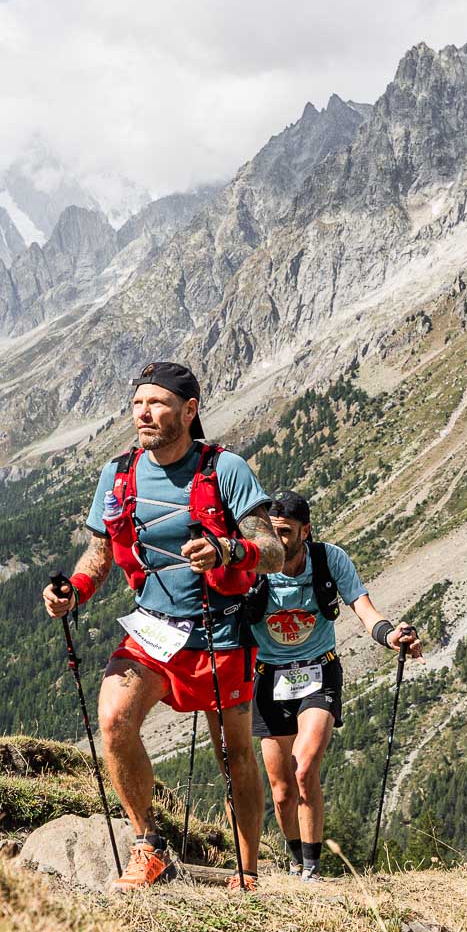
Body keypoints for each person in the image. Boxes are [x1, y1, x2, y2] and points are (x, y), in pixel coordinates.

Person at [42, 362, 285, 891]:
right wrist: (73, 592)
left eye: (156, 403)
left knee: (235, 755)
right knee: (114, 721)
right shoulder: (118, 473)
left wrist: (227, 550)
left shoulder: (226, 469)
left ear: (189, 410)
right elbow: (99, 554)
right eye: (137, 404)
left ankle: (246, 872)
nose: (143, 414)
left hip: (222, 635)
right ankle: (148, 845)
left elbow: (272, 550)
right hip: (152, 631)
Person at [247, 490, 422, 880]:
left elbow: (363, 607)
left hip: (318, 672)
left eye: (286, 532)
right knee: (281, 790)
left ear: (305, 530)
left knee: (304, 769)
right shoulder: (253, 564)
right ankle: (296, 860)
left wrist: (391, 636)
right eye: (272, 532)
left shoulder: (329, 560)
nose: (278, 541)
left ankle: (311, 869)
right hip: (269, 677)